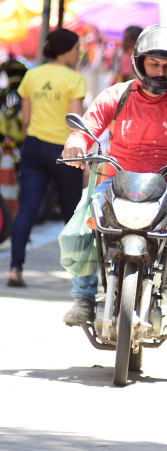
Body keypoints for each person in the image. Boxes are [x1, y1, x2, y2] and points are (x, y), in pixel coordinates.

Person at [60, 25, 167, 332]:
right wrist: (76, 144)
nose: (160, 72)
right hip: (115, 181)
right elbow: (87, 126)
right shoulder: (116, 95)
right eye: (154, 64)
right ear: (139, 61)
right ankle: (82, 298)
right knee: (82, 221)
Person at [7, 29, 86, 288]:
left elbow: (26, 119)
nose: (79, 53)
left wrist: (31, 144)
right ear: (65, 50)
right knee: (71, 212)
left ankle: (16, 268)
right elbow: (75, 123)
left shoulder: (32, 75)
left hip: (33, 147)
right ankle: (78, 274)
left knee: (28, 207)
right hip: (64, 151)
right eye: (76, 48)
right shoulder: (75, 80)